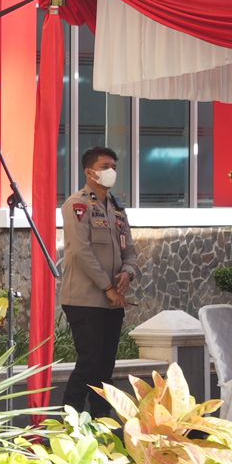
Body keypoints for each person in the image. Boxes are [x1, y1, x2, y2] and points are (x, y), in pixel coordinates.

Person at [58, 145, 141, 419]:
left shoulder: (117, 209)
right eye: (105, 167)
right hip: (85, 299)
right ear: (89, 172)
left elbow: (130, 250)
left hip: (112, 301)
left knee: (105, 367)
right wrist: (107, 287)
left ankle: (102, 422)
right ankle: (68, 422)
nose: (111, 172)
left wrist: (127, 273)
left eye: (114, 167)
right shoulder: (77, 205)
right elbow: (81, 252)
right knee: (89, 363)